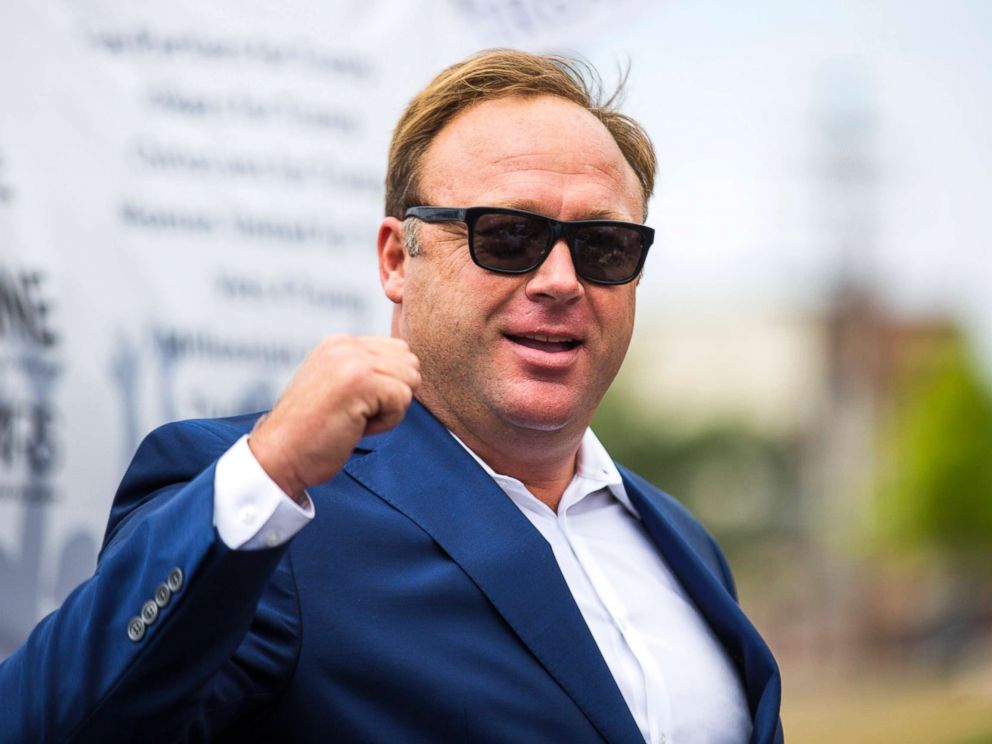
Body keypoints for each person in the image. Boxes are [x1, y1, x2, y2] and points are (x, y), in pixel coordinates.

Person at [0, 49, 782, 743]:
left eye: (604, 246)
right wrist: (266, 471)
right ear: (395, 260)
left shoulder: (682, 543)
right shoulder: (269, 512)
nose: (559, 281)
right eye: (506, 237)